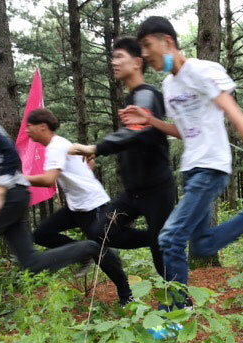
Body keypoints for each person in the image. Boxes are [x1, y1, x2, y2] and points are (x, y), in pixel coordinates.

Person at [114, 17, 243, 312]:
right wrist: (149, 120)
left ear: (167, 41)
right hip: (191, 170)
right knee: (202, 244)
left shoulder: (203, 70)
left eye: (148, 46)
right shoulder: (169, 85)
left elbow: (234, 112)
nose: (145, 54)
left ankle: (177, 312)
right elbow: (182, 130)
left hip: (212, 166)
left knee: (170, 237)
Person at [0, 56, 99, 298]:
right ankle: (87, 248)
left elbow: (7, 150)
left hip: (8, 194)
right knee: (31, 264)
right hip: (12, 193)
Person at [70, 37, 175, 281]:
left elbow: (137, 131)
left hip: (157, 191)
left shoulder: (146, 95)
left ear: (137, 62)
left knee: (162, 260)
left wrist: (96, 147)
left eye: (119, 57)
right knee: (101, 232)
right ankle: (158, 239)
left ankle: (182, 300)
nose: (113, 62)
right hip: (133, 193)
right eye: (112, 57)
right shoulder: (132, 99)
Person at [25, 109, 134, 307]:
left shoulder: (55, 146)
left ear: (42, 127)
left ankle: (127, 295)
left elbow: (49, 179)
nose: (27, 131)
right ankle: (83, 252)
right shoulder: (61, 144)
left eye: (29, 127)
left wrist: (18, 179)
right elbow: (88, 163)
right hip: (75, 207)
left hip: (93, 205)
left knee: (101, 254)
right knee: (41, 234)